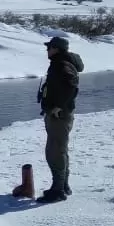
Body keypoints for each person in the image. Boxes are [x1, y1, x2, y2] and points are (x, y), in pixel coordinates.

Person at [37, 36, 85, 203]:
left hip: (59, 116)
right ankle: (63, 185)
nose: (47, 50)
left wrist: (58, 106)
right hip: (59, 115)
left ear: (56, 48)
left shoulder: (62, 64)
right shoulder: (61, 63)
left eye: (49, 47)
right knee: (59, 149)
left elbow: (71, 86)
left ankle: (58, 191)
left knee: (54, 151)